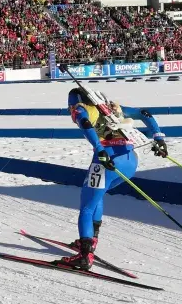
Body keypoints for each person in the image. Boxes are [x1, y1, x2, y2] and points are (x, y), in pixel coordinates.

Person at [60, 88, 168, 270]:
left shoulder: (80, 108)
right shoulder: (112, 108)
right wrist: (158, 136)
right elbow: (144, 113)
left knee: (87, 205)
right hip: (130, 160)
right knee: (98, 195)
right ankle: (90, 242)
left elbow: (85, 123)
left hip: (106, 159)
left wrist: (99, 149)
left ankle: (85, 256)